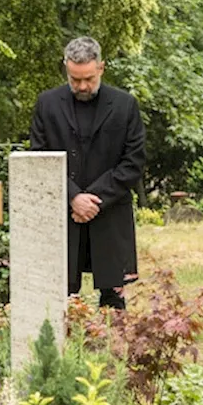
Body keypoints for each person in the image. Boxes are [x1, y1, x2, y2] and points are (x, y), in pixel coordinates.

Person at [28, 36, 146, 309]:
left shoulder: (125, 105)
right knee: (60, 296)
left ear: (101, 68)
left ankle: (114, 351)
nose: (82, 86)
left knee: (113, 298)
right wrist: (72, 197)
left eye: (88, 79)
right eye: (75, 79)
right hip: (64, 214)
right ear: (66, 68)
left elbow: (134, 162)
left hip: (110, 212)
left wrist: (92, 198)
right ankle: (61, 351)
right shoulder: (47, 104)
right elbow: (39, 157)